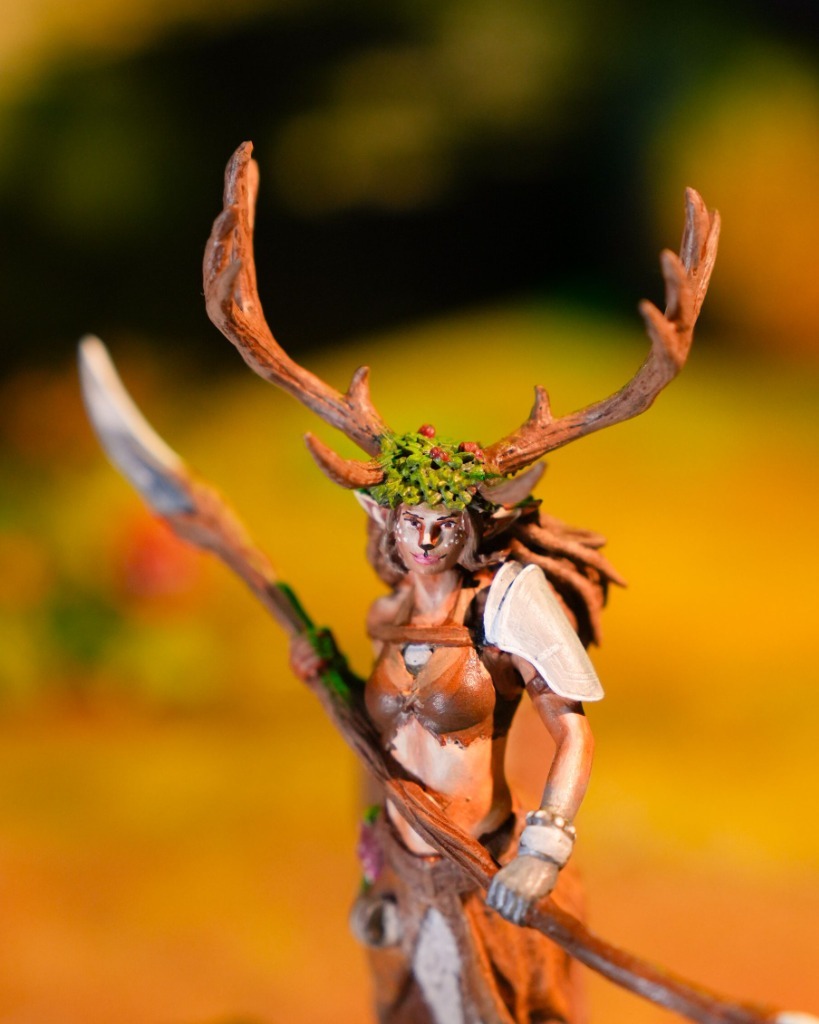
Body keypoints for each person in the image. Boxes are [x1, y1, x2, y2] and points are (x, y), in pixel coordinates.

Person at [289, 427, 622, 1024]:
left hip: (486, 875)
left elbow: (573, 732)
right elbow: (382, 743)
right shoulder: (390, 614)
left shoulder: (505, 604)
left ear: (471, 527)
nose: (425, 539)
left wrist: (542, 853)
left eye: (444, 524)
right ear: (386, 521)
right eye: (411, 521)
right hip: (405, 876)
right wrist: (325, 675)